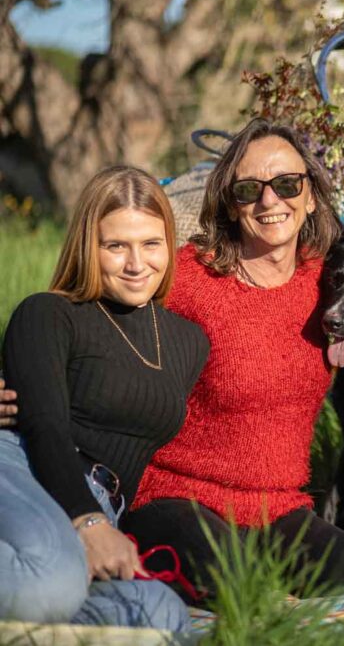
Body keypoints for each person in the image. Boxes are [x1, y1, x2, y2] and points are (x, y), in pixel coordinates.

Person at [120, 118, 344, 595]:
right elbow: (94, 316)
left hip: (278, 510)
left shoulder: (329, 284)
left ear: (310, 196)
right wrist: (24, 376)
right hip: (175, 496)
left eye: (288, 184)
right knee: (243, 593)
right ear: (231, 204)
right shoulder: (189, 276)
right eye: (249, 189)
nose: (271, 201)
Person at [0, 166, 207, 630]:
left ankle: (38, 616)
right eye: (116, 246)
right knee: (44, 584)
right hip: (27, 468)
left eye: (151, 244)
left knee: (163, 615)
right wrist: (88, 523)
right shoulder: (49, 312)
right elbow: (44, 427)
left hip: (101, 502)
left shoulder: (189, 343)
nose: (137, 264)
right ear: (88, 248)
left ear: (169, 245)